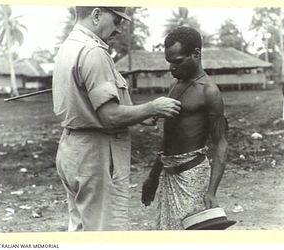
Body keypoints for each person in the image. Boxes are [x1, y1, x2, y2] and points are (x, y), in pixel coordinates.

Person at [52, 6, 181, 231]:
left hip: (72, 148)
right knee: (105, 232)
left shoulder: (68, 48)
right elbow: (110, 116)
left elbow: (88, 106)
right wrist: (152, 107)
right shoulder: (93, 52)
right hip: (95, 154)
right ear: (96, 14)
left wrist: (137, 116)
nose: (119, 29)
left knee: (82, 229)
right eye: (117, 20)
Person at [141, 26, 228, 230]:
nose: (172, 68)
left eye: (177, 61)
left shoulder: (209, 92)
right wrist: (153, 176)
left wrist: (212, 191)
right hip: (169, 175)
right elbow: (169, 137)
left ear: (196, 54)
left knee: (190, 235)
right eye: (169, 62)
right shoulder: (176, 85)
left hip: (192, 178)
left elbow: (221, 144)